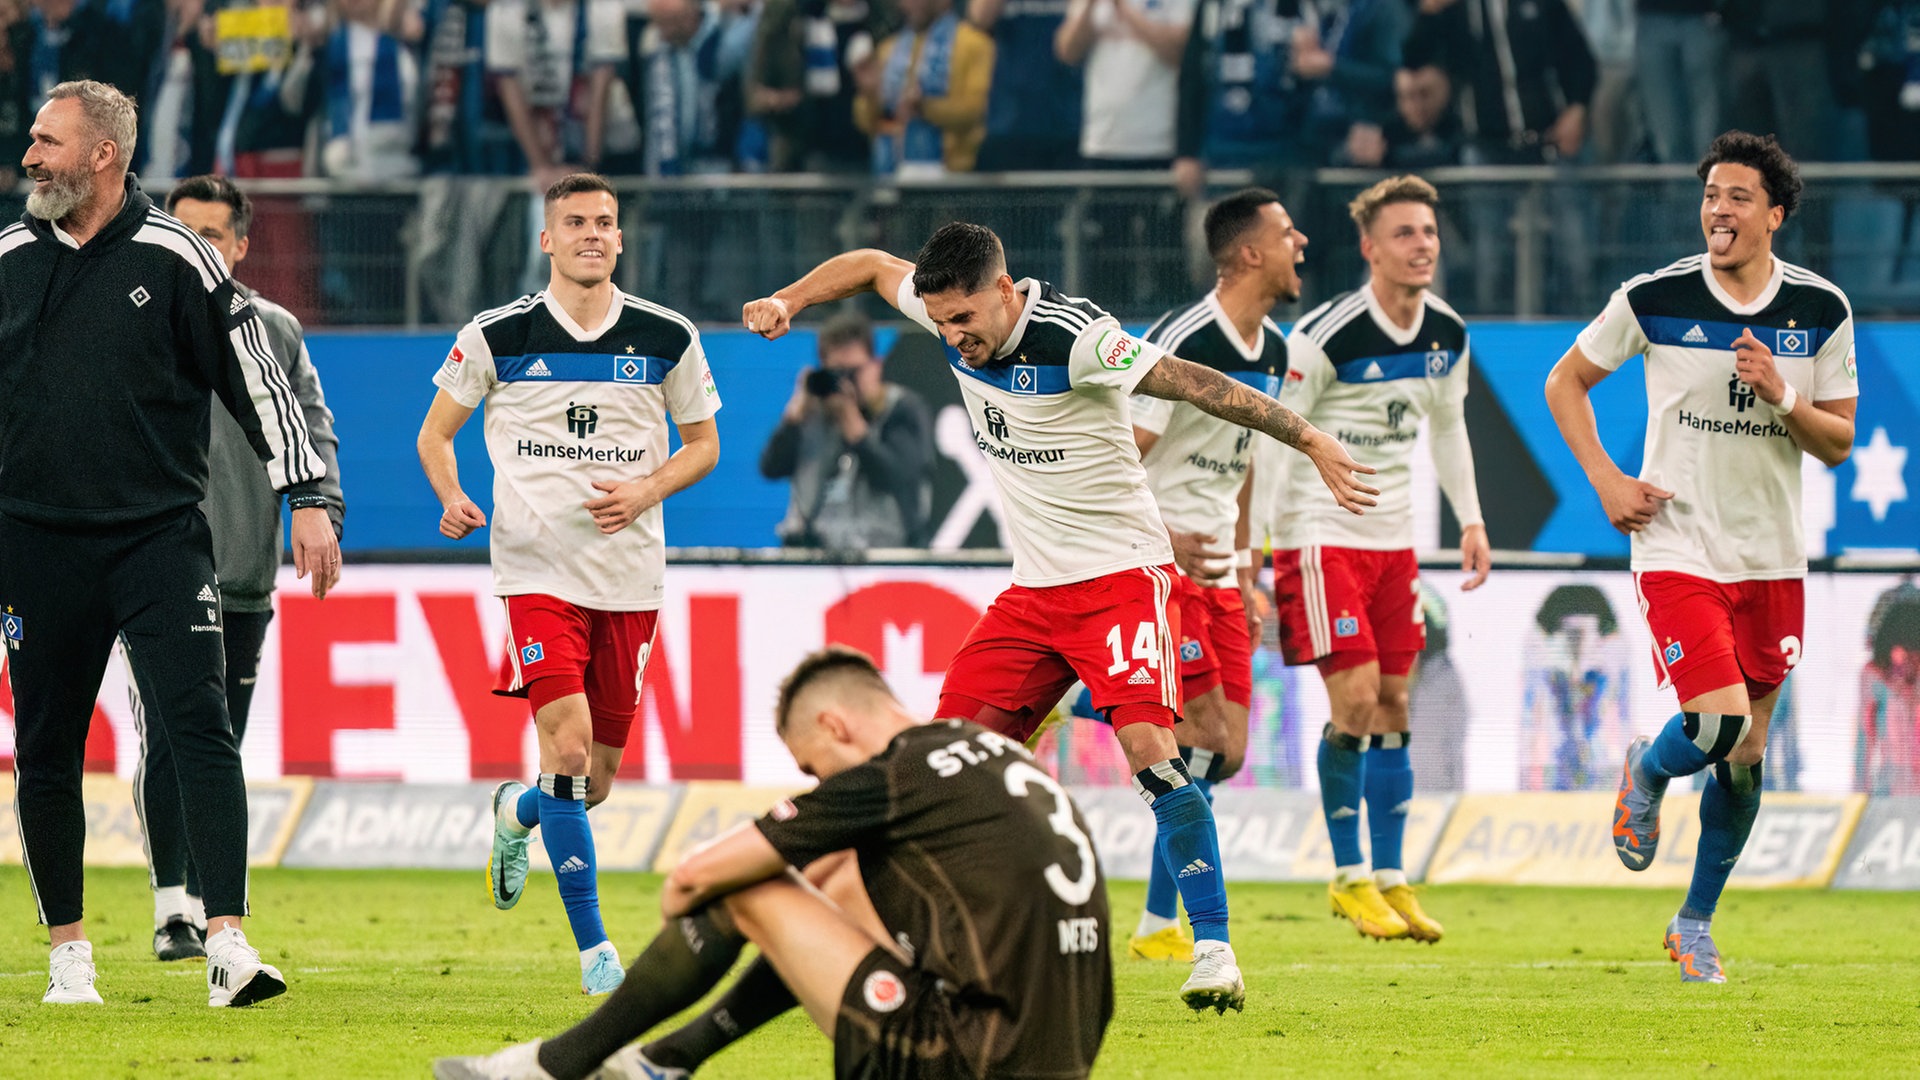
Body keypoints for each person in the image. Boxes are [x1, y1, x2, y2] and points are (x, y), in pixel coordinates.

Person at [742, 221, 1380, 1010]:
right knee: (940, 762)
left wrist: (1310, 436)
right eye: (940, 322)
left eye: (965, 320)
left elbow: (1191, 381)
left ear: (1005, 292)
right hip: (1032, 592)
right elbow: (874, 266)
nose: (952, 337)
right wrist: (787, 297)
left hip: (1119, 579)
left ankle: (1213, 948)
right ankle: (939, 936)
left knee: (1154, 748)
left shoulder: (1080, 340)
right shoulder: (947, 306)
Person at [0, 80, 336, 1007]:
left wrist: (304, 493)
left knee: (200, 732)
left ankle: (226, 942)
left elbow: (257, 381)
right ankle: (70, 955)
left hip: (159, 539)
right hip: (35, 545)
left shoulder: (180, 255)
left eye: (46, 141)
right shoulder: (8, 258)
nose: (29, 156)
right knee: (47, 748)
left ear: (102, 154)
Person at [435, 646, 1113, 1080]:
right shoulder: (983, 749)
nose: (818, 784)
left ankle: (553, 1067)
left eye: (812, 768)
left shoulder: (895, 774)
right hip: (1062, 1054)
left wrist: (701, 909)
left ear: (834, 728)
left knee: (745, 892)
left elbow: (690, 881)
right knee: (839, 877)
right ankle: (664, 1063)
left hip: (971, 1058)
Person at [1546, 131, 1857, 983]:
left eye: (1738, 197)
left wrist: (1783, 393)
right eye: (1711, 195)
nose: (1719, 210)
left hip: (1773, 560)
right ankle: (1647, 772)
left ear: (1776, 215)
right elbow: (1563, 383)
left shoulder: (1821, 310)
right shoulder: (1654, 296)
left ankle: (1694, 925)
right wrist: (1608, 479)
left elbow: (1837, 442)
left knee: (1747, 758)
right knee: (1715, 726)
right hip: (1678, 544)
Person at [417, 172, 721, 996]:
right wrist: (452, 494)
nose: (594, 234)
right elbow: (435, 434)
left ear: (621, 240)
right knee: (571, 746)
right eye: (576, 222)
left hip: (631, 580)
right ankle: (596, 954)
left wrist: (646, 490)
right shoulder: (496, 334)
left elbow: (703, 445)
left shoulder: (666, 336)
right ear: (546, 239)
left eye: (607, 223)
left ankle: (518, 811)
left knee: (592, 783)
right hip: (535, 570)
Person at [1265, 174, 1489, 944]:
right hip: (1322, 538)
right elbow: (1276, 435)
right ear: (1369, 248)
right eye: (1404, 233)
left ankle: (1393, 880)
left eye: (1428, 231)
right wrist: (1261, 548)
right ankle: (1348, 875)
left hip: (1397, 546)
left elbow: (1450, 430)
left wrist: (1471, 520)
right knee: (1355, 702)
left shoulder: (1448, 334)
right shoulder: (1325, 335)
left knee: (1397, 706)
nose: (1421, 244)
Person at [133, 173, 346, 964]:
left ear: (242, 245)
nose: (198, 246)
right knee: (166, 739)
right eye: (183, 229)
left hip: (246, 573)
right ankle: (174, 909)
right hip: (151, 569)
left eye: (214, 235)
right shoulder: (133, 318)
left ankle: (202, 899)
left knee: (220, 740)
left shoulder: (277, 330)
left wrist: (321, 511)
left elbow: (313, 431)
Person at [1124, 187, 1296, 962]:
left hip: (1224, 571)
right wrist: (1161, 536)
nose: (1301, 246)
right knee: (1201, 733)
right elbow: (1114, 456)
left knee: (1224, 754)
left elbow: (1249, 461)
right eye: (1288, 234)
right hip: (1162, 567)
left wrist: (1249, 564)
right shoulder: (1183, 339)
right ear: (1249, 253)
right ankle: (1168, 926)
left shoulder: (1279, 351)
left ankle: (1085, 698)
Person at [760, 312, 935, 548]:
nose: (846, 383)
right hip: (813, 551)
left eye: (853, 373)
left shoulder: (901, 409)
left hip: (886, 554)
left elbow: (900, 479)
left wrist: (854, 426)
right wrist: (793, 418)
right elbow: (771, 468)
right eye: (837, 373)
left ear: (875, 366)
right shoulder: (814, 411)